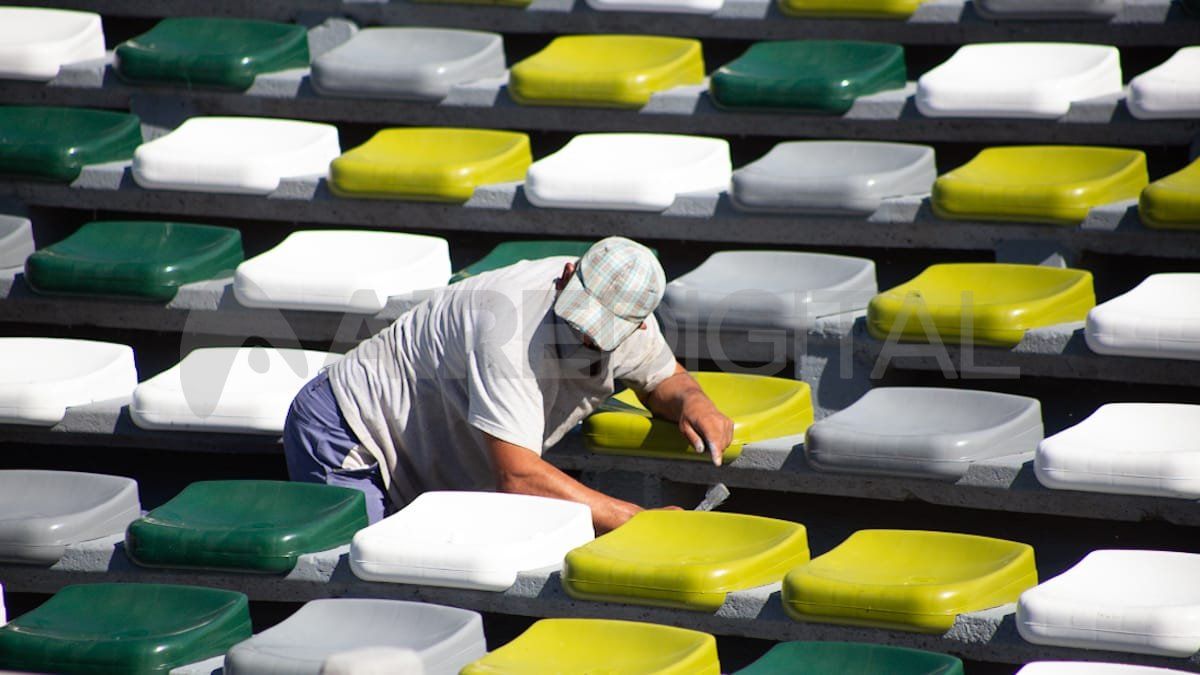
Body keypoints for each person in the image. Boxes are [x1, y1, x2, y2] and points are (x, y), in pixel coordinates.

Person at [283, 236, 733, 532]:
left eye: (600, 331)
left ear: (637, 327)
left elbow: (662, 379)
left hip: (429, 456)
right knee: (371, 595)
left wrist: (695, 402)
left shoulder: (633, 323)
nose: (585, 335)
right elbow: (517, 475)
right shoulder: (508, 322)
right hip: (353, 433)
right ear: (566, 276)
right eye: (579, 318)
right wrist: (636, 520)